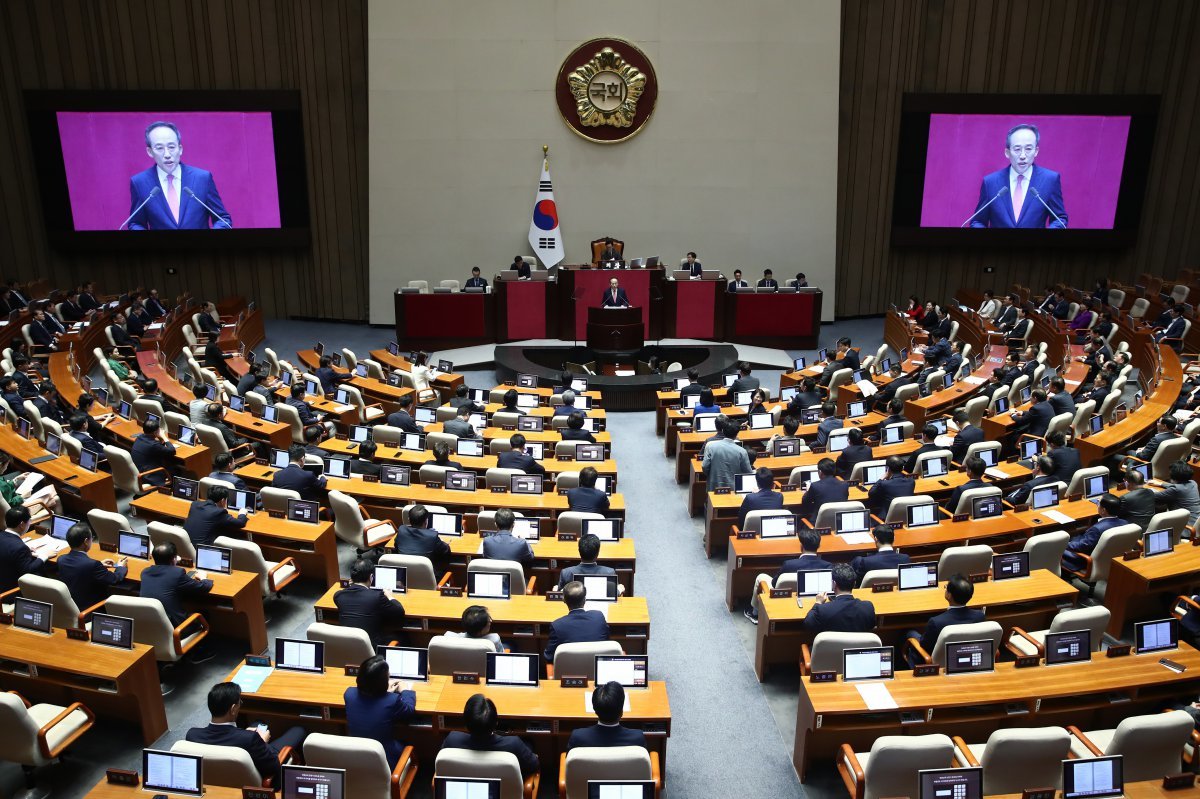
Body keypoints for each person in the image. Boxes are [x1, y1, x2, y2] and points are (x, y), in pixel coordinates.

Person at [185, 683, 307, 785]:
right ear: (233, 709)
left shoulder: (192, 735)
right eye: (240, 703)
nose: (240, 705)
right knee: (299, 730)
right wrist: (262, 742)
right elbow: (274, 766)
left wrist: (245, 734)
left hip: (216, 780)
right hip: (258, 777)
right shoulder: (250, 739)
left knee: (259, 723)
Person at [127, 122, 231, 230]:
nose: (167, 154)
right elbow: (136, 223)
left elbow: (223, 219)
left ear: (180, 149)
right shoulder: (139, 182)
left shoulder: (202, 178)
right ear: (150, 151)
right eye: (159, 148)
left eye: (171, 147)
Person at [969, 123, 1067, 229]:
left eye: (1028, 149)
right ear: (1007, 152)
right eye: (1017, 149)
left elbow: (1059, 219)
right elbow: (977, 221)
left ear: (1036, 151)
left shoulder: (1050, 180)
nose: (1023, 156)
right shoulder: (990, 182)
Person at [343, 655, 417, 770]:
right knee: (408, 741)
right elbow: (408, 711)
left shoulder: (349, 694)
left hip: (355, 756)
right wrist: (405, 690)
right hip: (385, 761)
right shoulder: (392, 701)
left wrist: (385, 693)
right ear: (384, 682)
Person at [746, 529, 834, 623]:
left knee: (761, 577)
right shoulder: (828, 566)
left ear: (801, 546)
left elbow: (774, 583)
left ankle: (755, 614)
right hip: (814, 602)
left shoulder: (789, 564)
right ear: (819, 546)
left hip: (784, 602)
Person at [441, 694, 539, 779]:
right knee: (528, 743)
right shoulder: (513, 745)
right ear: (496, 723)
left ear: (466, 725)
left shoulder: (452, 740)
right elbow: (533, 765)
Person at [908, 574, 985, 666]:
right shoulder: (980, 616)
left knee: (909, 633)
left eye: (946, 588)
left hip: (938, 663)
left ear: (949, 595)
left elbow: (925, 645)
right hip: (966, 656)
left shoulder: (936, 622)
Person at [140, 541, 213, 629]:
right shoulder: (177, 573)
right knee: (204, 613)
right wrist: (203, 578)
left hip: (152, 626)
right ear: (174, 559)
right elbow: (204, 587)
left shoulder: (145, 572)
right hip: (177, 629)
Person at [56, 522, 128, 610]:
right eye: (92, 538)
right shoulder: (92, 565)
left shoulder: (61, 559)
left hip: (72, 606)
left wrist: (100, 565)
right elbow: (115, 579)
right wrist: (120, 567)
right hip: (91, 609)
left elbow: (81, 569)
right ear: (86, 541)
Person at [334, 559, 407, 646]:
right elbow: (399, 611)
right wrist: (389, 595)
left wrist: (351, 586)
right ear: (371, 577)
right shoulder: (377, 597)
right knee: (403, 636)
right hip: (371, 649)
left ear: (352, 578)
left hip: (347, 646)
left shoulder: (338, 596)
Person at [567, 681, 648, 750]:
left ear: (595, 710)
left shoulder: (578, 737)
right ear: (622, 711)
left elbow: (570, 766)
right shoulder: (637, 739)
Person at [544, 580, 609, 661]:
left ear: (564, 600)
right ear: (585, 599)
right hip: (597, 669)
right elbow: (606, 639)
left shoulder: (557, 625)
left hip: (569, 672)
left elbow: (549, 656)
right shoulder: (598, 617)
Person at [803, 564, 876, 633]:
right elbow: (871, 625)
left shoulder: (822, 610)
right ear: (854, 584)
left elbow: (808, 624)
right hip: (858, 646)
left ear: (834, 584)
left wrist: (818, 603)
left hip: (831, 646)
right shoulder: (868, 607)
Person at [1063, 493, 1125, 572]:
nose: (1097, 505)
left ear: (1103, 510)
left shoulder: (1097, 529)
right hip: (1110, 560)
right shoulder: (1125, 523)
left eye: (1098, 503)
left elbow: (1081, 547)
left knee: (1054, 548)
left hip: (1083, 560)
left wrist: (1063, 544)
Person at [184, 485, 248, 548]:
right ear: (223, 500)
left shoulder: (195, 504)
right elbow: (240, 523)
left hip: (185, 546)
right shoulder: (218, 512)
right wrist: (242, 513)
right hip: (202, 550)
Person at [0, 507, 48, 591]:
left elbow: (8, 550)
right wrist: (44, 556)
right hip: (11, 592)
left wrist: (25, 551)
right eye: (29, 520)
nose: (30, 523)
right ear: (22, 524)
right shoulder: (19, 547)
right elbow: (28, 571)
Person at [702, 417, 752, 491]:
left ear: (722, 430)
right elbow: (747, 472)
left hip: (713, 486)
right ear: (737, 433)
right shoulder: (742, 451)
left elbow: (705, 466)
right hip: (734, 488)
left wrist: (711, 475)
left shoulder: (710, 446)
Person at [797, 458, 848, 522]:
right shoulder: (844, 485)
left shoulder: (815, 486)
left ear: (820, 472)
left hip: (819, 522)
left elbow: (805, 502)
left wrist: (808, 491)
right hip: (839, 521)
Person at [131, 418, 175, 486]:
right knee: (175, 468)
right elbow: (172, 451)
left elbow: (158, 448)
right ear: (155, 432)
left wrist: (160, 439)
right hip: (150, 476)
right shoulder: (153, 445)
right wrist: (164, 436)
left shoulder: (139, 437)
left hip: (140, 471)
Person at [1157, 460, 1200, 528]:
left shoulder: (1176, 490)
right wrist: (1161, 483)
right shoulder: (1193, 483)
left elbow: (1153, 496)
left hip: (1186, 528)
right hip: (1195, 523)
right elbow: (1180, 487)